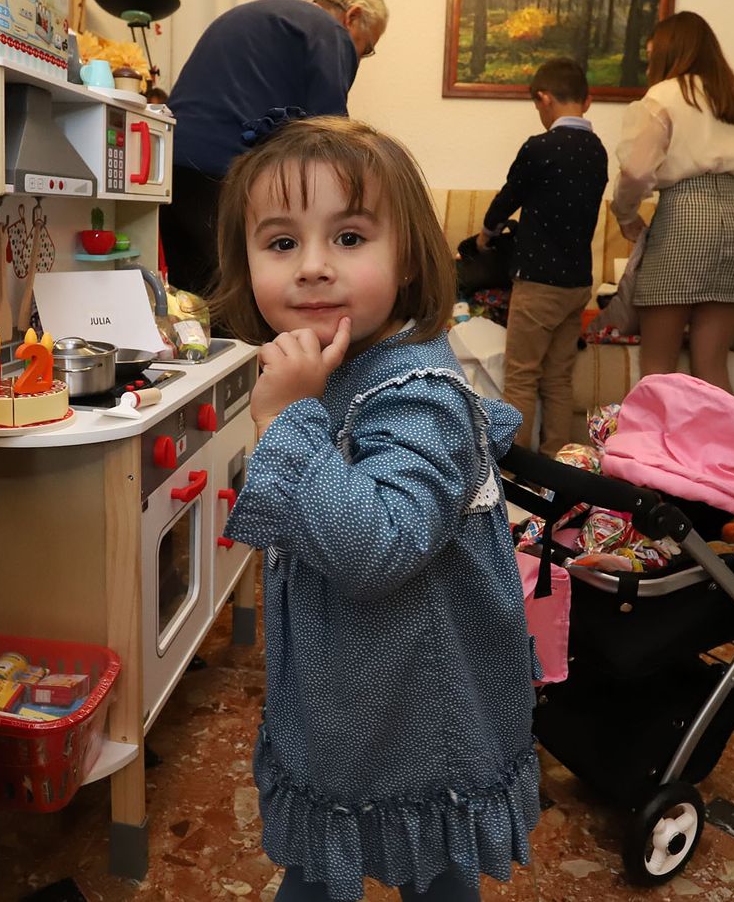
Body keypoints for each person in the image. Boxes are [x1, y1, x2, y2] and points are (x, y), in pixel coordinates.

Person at [210, 116, 540, 902]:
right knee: (330, 866)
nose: (314, 267)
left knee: (430, 871)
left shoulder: (419, 393)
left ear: (408, 256)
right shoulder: (337, 364)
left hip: (423, 712)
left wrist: (283, 419)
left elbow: (381, 544)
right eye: (282, 242)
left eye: (349, 237)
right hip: (346, 696)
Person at [162, 0, 389, 296]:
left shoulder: (267, 17)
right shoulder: (329, 29)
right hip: (220, 169)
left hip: (167, 160)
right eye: (365, 48)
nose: (358, 60)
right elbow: (330, 133)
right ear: (352, 16)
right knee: (235, 297)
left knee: (190, 299)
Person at [611, 11, 734, 393]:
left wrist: (625, 214)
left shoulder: (664, 96)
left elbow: (635, 172)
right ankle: (720, 453)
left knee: (658, 367)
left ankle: (656, 453)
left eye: (652, 55)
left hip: (686, 217)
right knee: (712, 366)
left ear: (670, 52)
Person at [477, 58, 607, 455]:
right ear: (586, 101)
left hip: (538, 282)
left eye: (538, 106)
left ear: (544, 98)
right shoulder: (597, 150)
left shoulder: (540, 147)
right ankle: (559, 466)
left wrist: (487, 231)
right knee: (557, 378)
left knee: (520, 376)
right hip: (576, 284)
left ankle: (516, 471)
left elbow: (509, 196)